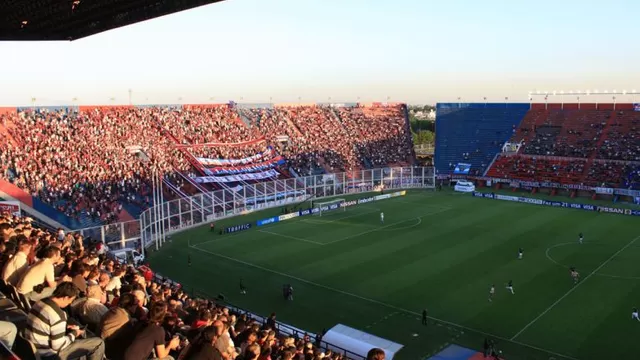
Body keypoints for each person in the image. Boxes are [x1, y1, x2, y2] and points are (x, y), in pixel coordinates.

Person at [24, 282, 105, 360]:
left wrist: (65, 327)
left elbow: (46, 324)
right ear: (66, 297)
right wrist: (74, 333)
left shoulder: (40, 302)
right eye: (71, 300)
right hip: (48, 355)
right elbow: (58, 346)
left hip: (34, 349)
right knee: (98, 343)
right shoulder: (58, 314)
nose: (70, 303)